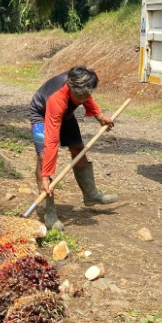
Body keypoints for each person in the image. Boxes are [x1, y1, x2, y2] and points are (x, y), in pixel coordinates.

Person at [30, 66, 118, 230]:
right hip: (41, 113)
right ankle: (49, 212)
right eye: (78, 96)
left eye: (84, 96)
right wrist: (46, 175)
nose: (80, 101)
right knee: (43, 156)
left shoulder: (84, 82)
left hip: (65, 112)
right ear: (70, 88)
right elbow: (51, 141)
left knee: (78, 148)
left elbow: (87, 97)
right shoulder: (57, 99)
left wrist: (100, 116)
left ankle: (91, 195)